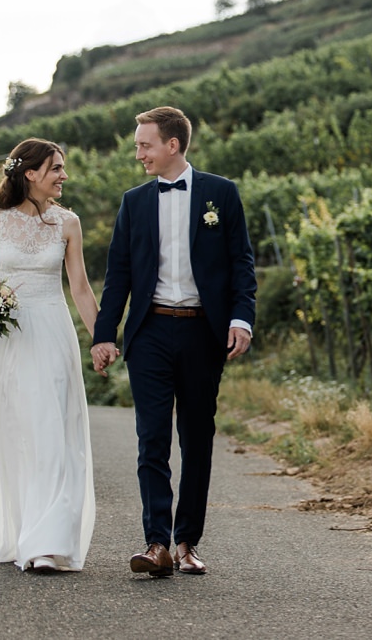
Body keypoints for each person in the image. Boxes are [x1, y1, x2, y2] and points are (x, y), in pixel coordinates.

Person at [90, 106, 256, 577]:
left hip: (204, 332)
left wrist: (241, 319)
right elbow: (117, 274)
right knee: (152, 439)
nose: (138, 153)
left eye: (145, 144)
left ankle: (188, 542)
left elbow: (242, 263)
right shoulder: (133, 201)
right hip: (151, 333)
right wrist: (105, 334)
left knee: (198, 436)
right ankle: (156, 542)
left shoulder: (220, 194)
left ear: (172, 146)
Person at [0, 137, 98, 574]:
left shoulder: (69, 223)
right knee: (16, 433)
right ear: (30, 173)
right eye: (56, 169)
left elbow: (80, 288)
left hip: (51, 332)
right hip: (6, 339)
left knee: (53, 432)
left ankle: (48, 543)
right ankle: (23, 530)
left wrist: (100, 338)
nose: (64, 176)